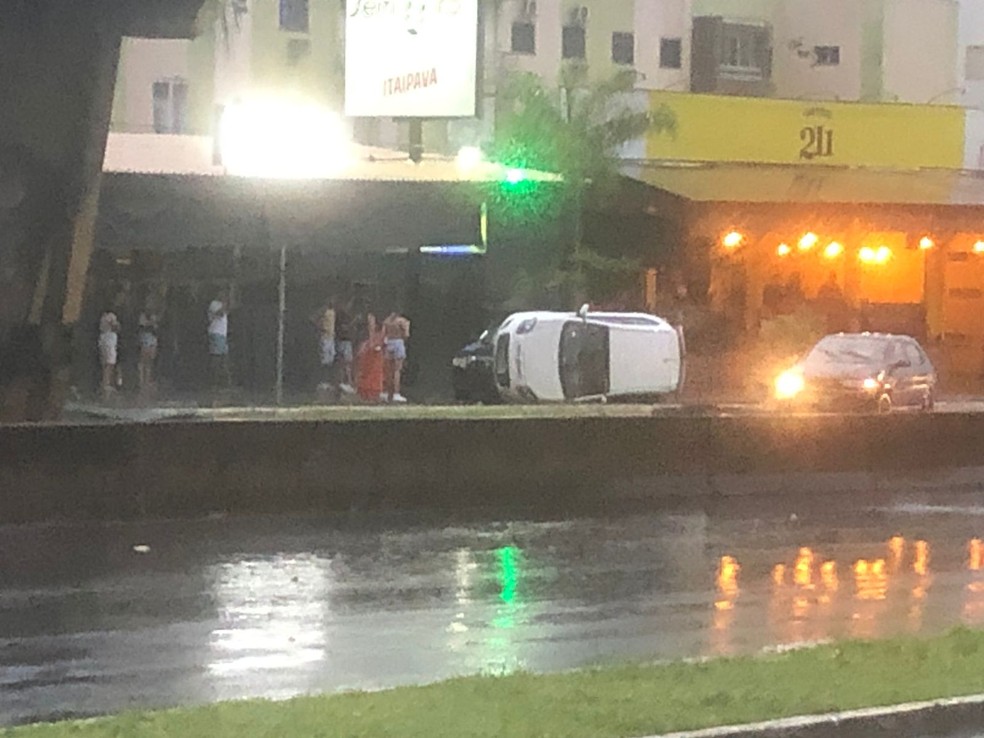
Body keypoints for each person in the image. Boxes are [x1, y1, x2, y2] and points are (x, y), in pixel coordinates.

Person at [382, 311, 411, 403]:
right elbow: (406, 334)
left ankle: (387, 392)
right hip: (398, 343)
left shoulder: (387, 321)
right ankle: (396, 393)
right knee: (397, 370)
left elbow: (383, 334)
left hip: (389, 343)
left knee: (389, 371)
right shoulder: (402, 321)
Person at [356, 312, 385, 402]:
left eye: (371, 322)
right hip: (366, 364)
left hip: (374, 363)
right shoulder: (365, 337)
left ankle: (373, 394)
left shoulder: (379, 335)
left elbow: (378, 346)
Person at [207, 292, 230, 394]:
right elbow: (218, 314)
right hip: (216, 333)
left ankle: (223, 383)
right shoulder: (214, 304)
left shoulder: (222, 305)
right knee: (216, 358)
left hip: (222, 335)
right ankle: (214, 383)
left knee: (224, 358)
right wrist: (224, 305)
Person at [315, 298, 337, 392]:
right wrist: (321, 328)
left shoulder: (333, 312)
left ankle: (328, 382)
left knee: (331, 359)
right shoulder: (324, 311)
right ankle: (323, 381)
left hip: (331, 337)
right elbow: (314, 318)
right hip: (325, 337)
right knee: (324, 360)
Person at [98, 309, 120, 399]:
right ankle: (106, 386)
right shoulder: (110, 316)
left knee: (106, 365)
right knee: (109, 364)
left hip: (104, 340)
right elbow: (117, 327)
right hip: (109, 340)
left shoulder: (103, 316)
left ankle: (106, 384)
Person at [335, 299, 356, 394]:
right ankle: (346, 382)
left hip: (344, 341)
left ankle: (346, 382)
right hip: (344, 341)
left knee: (345, 363)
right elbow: (345, 328)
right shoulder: (341, 316)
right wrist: (354, 322)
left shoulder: (344, 316)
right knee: (346, 363)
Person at [137, 308, 159, 396]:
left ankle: (148, 380)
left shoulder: (154, 316)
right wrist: (150, 324)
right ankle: (142, 381)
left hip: (153, 339)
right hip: (145, 338)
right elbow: (142, 325)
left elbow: (156, 327)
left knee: (150, 361)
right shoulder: (142, 316)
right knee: (143, 361)